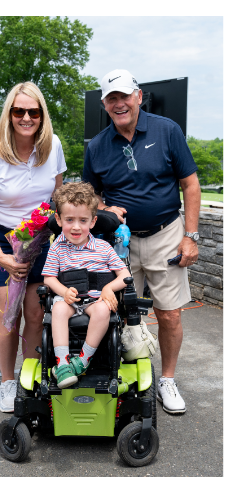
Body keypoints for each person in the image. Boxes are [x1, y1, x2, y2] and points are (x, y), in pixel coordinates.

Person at [82, 69, 200, 414]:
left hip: (167, 236)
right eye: (111, 99)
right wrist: (104, 208)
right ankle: (116, 377)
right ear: (105, 104)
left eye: (123, 96)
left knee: (169, 315)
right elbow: (90, 196)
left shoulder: (167, 130)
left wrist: (190, 238)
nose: (118, 104)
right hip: (119, 242)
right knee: (113, 312)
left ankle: (166, 379)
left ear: (138, 95)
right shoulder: (98, 145)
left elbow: (190, 185)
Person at [0, 81, 67, 412]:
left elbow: (57, 199)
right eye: (19, 111)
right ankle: (7, 383)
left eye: (33, 111)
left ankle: (28, 378)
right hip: (0, 239)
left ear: (41, 115)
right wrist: (1, 256)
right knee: (9, 317)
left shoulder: (52, 146)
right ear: (9, 114)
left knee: (35, 312)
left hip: (36, 237)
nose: (26, 117)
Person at [40, 182, 130, 389]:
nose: (76, 226)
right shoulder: (57, 248)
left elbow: (123, 275)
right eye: (69, 220)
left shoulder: (103, 247)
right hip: (69, 299)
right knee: (60, 308)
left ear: (93, 221)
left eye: (83, 220)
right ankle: (62, 364)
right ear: (59, 219)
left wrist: (108, 289)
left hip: (95, 299)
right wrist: (64, 291)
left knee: (102, 309)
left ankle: (83, 360)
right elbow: (49, 279)